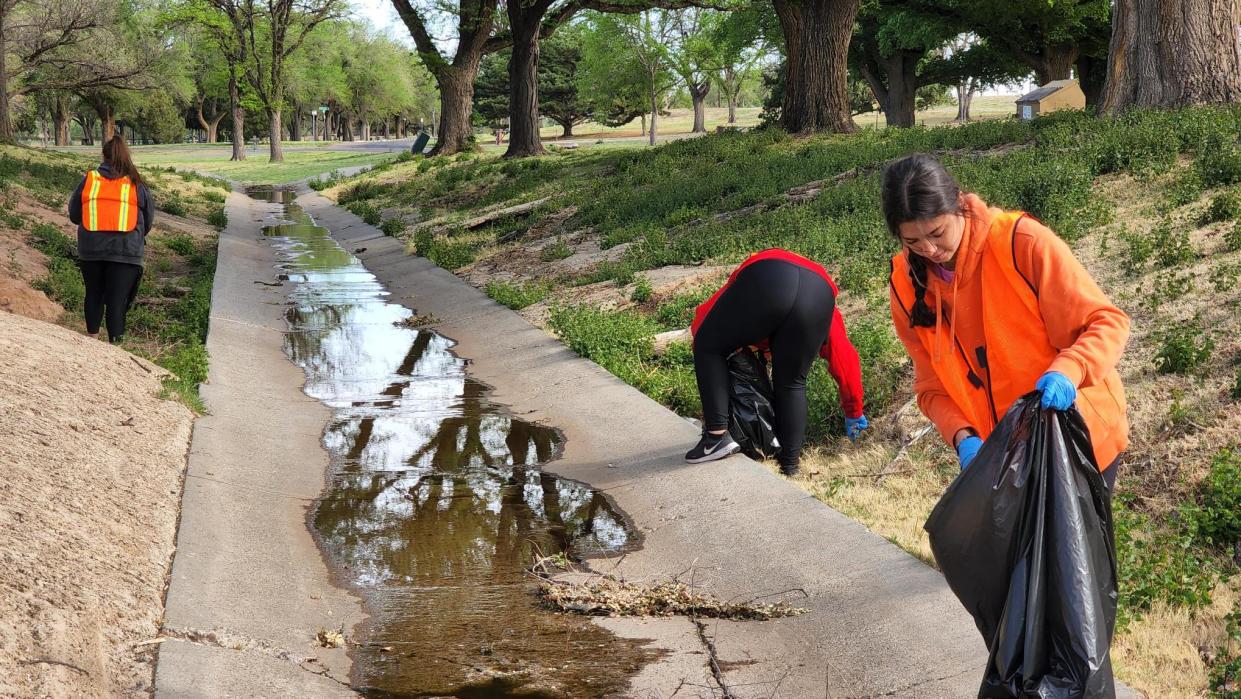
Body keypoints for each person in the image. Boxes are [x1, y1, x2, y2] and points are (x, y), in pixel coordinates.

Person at [883, 154, 1129, 488]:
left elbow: (1107, 322)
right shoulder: (904, 285)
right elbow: (931, 386)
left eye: (937, 233)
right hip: (1008, 458)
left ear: (958, 204)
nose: (929, 249)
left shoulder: (1022, 242)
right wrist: (962, 436)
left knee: (1073, 541)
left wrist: (1070, 370)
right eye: (912, 242)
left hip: (1078, 439)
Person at [687, 249, 869, 475]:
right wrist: (853, 411)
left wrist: (715, 351)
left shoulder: (751, 276)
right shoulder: (830, 311)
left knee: (708, 345)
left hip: (768, 274)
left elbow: (704, 321)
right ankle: (790, 466)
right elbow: (845, 358)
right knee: (792, 383)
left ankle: (716, 438)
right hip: (821, 292)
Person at [68, 134, 155, 344]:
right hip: (126, 251)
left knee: (94, 294)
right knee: (117, 302)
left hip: (91, 249)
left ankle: (92, 342)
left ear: (103, 156)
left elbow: (74, 215)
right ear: (126, 156)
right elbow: (149, 219)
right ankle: (115, 348)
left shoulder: (89, 179)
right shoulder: (136, 183)